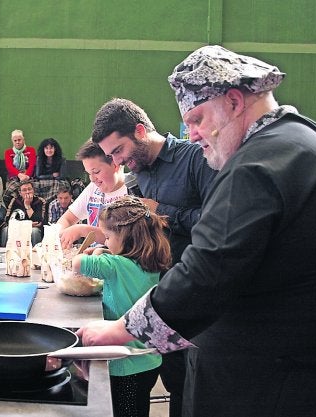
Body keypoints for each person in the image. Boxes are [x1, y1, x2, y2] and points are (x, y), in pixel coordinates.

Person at [77, 45, 316, 417]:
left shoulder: (256, 164)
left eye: (198, 119)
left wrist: (121, 330)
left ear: (235, 101)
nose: (192, 135)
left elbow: (207, 270)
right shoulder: (315, 142)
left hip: (274, 383)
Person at [91, 98, 219, 416]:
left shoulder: (196, 158)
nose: (117, 162)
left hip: (195, 299)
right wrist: (112, 249)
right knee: (154, 383)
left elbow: (218, 224)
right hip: (156, 298)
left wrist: (163, 211)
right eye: (110, 156)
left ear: (139, 131)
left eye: (119, 151)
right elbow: (144, 237)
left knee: (188, 392)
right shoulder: (142, 174)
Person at [72, 196, 171, 417]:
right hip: (149, 359)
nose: (105, 242)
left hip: (125, 363)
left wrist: (96, 251)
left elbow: (77, 263)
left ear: (124, 236)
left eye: (107, 237)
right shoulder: (150, 262)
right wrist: (104, 250)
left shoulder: (115, 265)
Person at [57, 139, 127, 248]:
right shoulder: (93, 188)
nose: (92, 179)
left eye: (96, 172)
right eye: (89, 173)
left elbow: (124, 241)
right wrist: (59, 235)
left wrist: (83, 230)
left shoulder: (132, 190)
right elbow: (67, 219)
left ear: (115, 164)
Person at [1, 180, 46, 247]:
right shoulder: (15, 201)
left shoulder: (40, 201)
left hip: (33, 228)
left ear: (33, 190)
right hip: (18, 227)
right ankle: (5, 253)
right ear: (20, 192)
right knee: (6, 230)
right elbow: (8, 220)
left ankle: (35, 253)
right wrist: (26, 225)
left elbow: (38, 221)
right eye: (24, 190)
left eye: (29, 189)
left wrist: (27, 206)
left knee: (35, 231)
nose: (27, 192)